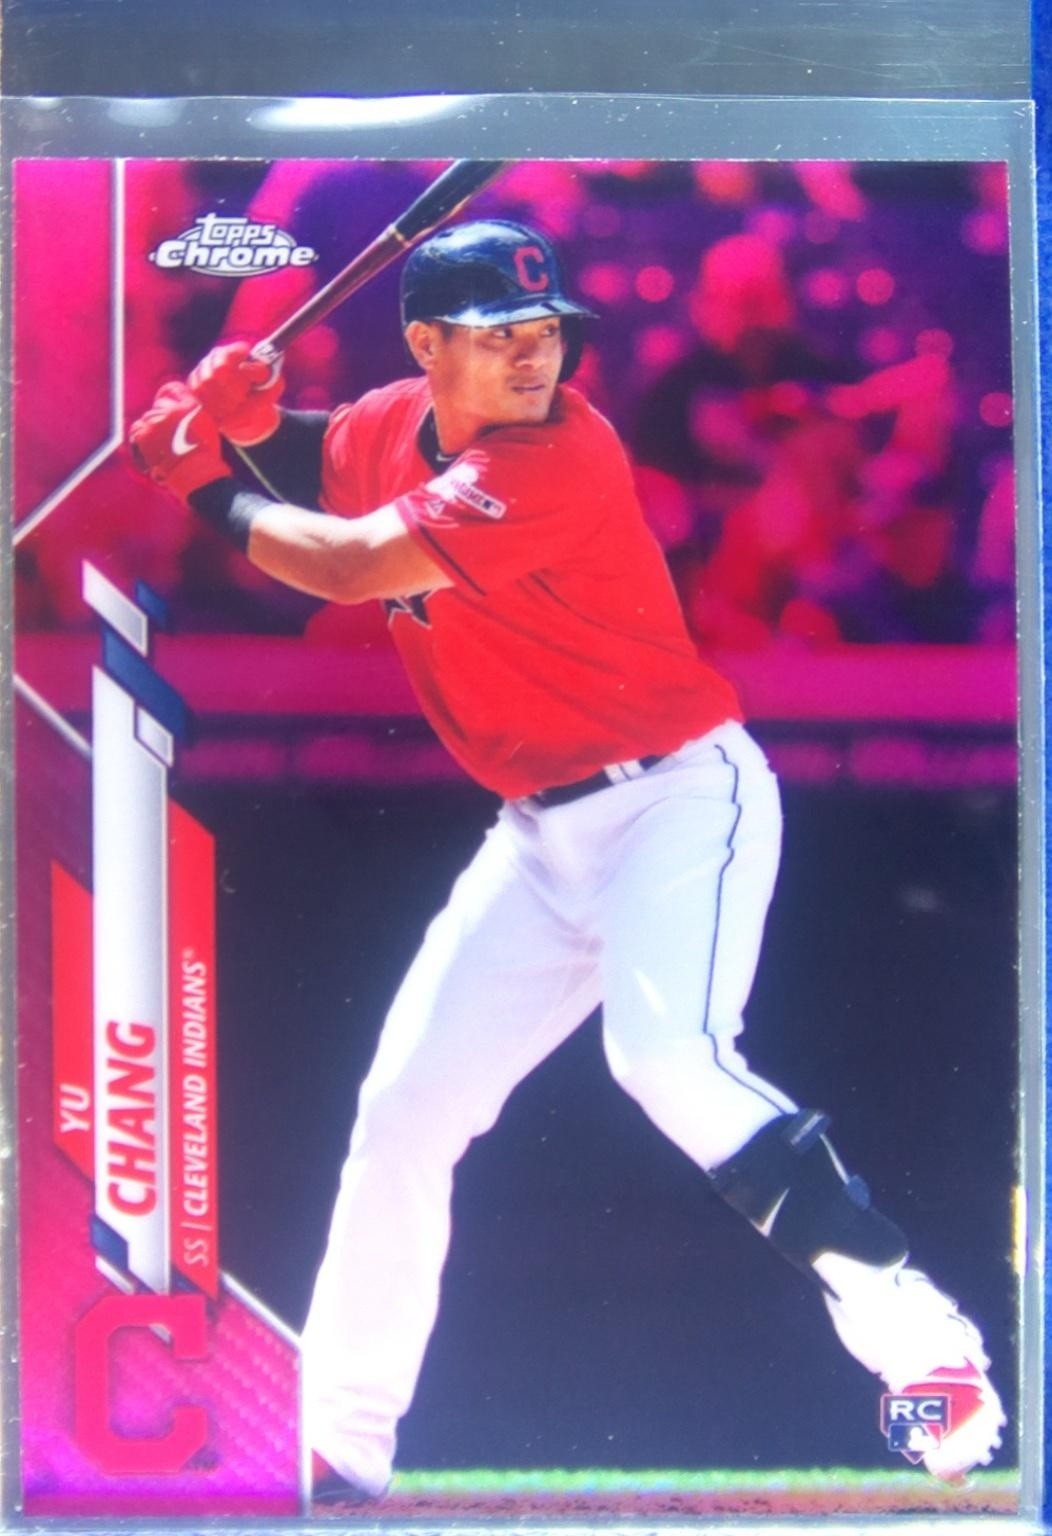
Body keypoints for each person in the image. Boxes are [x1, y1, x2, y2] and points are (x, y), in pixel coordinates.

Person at [129, 219, 1005, 1500]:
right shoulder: (395, 420)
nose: (533, 356)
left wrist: (204, 482)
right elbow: (331, 454)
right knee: (403, 1115)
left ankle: (925, 1346)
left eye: (543, 332)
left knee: (666, 1060)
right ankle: (338, 1447)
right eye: (498, 337)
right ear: (426, 346)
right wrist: (253, 420)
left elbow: (351, 564)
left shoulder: (556, 453)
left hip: (675, 803)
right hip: (537, 836)